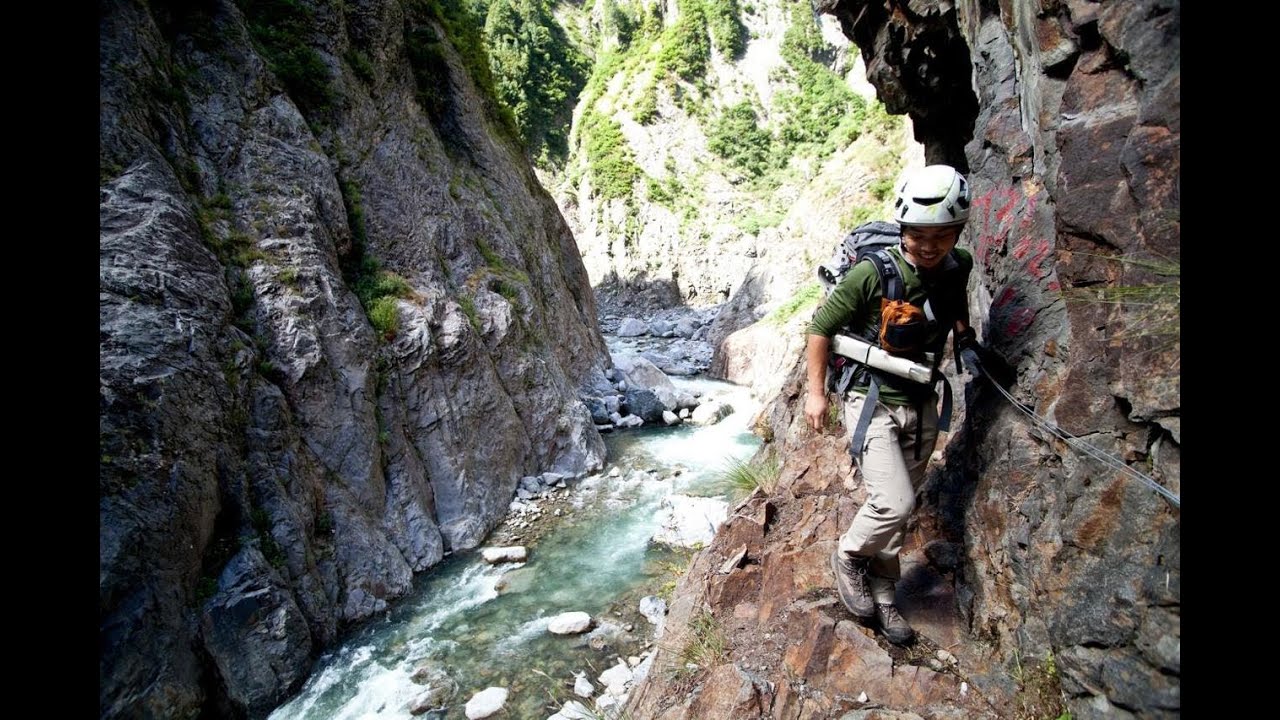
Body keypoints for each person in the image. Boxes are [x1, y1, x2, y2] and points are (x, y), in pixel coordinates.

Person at [804, 164, 989, 645]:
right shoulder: (873, 273)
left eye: (942, 235)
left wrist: (965, 337)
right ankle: (847, 555)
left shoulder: (958, 266)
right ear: (903, 228)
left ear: (957, 233)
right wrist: (816, 393)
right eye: (918, 235)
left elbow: (956, 303)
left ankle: (885, 598)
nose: (929, 246)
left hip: (923, 399)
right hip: (872, 400)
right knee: (895, 501)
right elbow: (820, 327)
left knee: (897, 511)